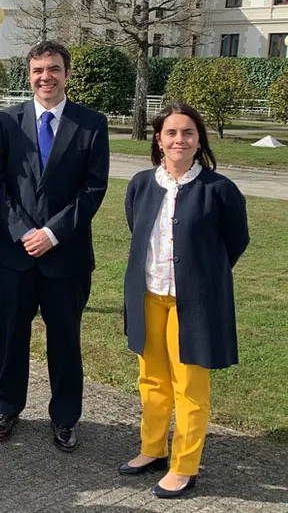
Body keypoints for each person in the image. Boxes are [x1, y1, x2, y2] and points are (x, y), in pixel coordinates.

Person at [0, 40, 110, 451]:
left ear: (66, 74)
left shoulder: (92, 124)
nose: (46, 77)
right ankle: (6, 408)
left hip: (66, 256)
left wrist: (52, 233)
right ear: (30, 74)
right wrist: (24, 232)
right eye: (38, 70)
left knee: (65, 340)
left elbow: (93, 190)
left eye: (54, 69)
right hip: (13, 254)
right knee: (9, 336)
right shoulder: (6, 121)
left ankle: (66, 418)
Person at [119, 102, 249, 498]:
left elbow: (235, 240)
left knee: (189, 385)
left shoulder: (219, 189)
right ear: (158, 139)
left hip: (193, 303)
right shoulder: (142, 184)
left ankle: (184, 466)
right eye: (171, 133)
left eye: (187, 133)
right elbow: (136, 229)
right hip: (148, 297)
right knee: (151, 379)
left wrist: (201, 274)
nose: (179, 139)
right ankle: (152, 449)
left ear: (198, 140)